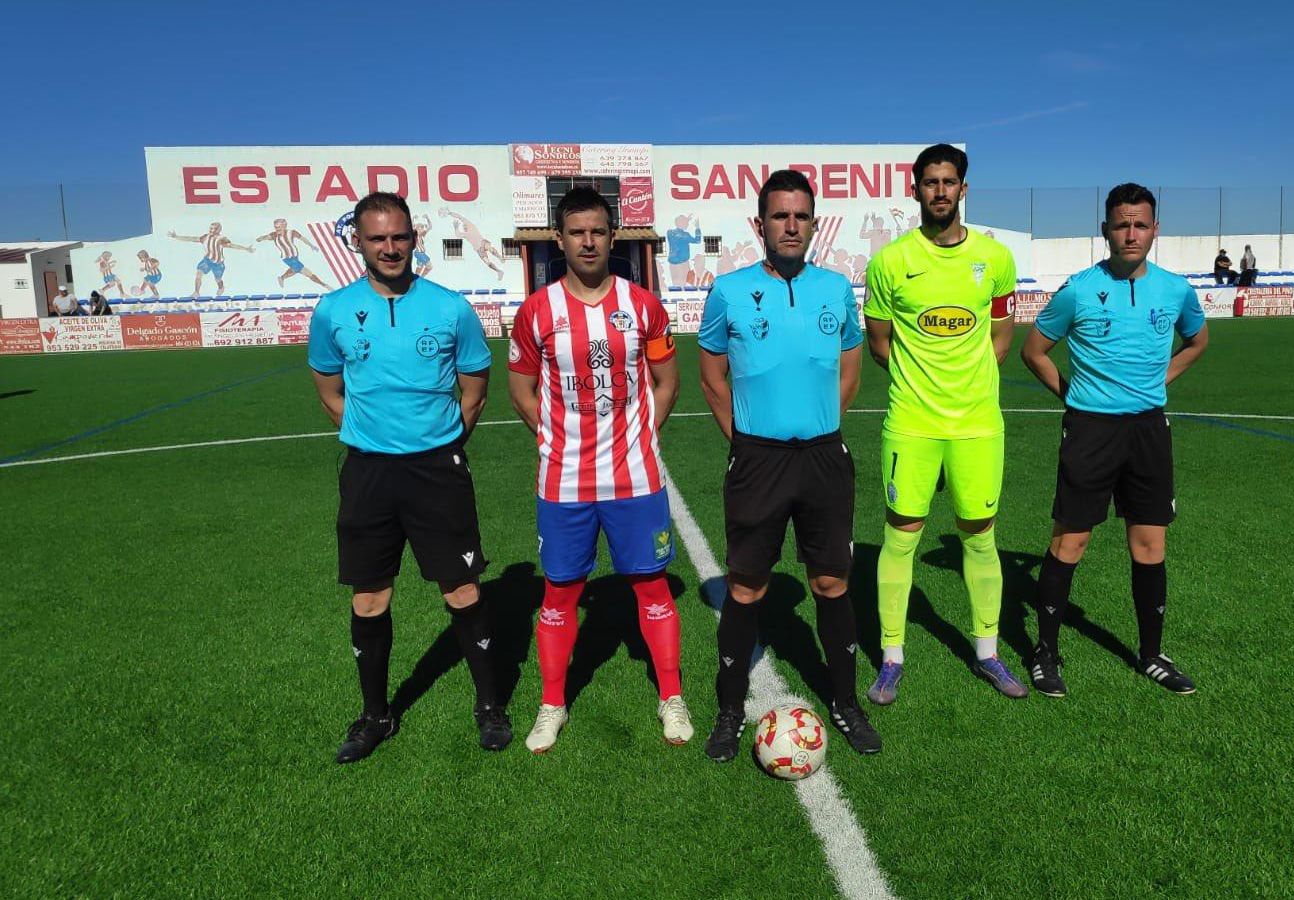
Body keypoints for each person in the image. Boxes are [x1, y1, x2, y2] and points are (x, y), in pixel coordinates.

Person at [307, 191, 508, 763]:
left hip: (436, 470)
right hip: (368, 473)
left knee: (462, 590)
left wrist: (438, 443)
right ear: (358, 242)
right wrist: (374, 437)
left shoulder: (450, 308)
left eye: (399, 237)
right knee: (370, 598)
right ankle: (376, 716)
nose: (390, 248)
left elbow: (475, 391)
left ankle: (489, 706)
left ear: (414, 239)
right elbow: (329, 391)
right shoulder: (333, 310)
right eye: (377, 238)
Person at [696, 170, 882, 762]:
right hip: (758, 460)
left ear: (813, 223)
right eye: (780, 216)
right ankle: (730, 710)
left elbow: (850, 367)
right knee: (746, 587)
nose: (791, 226)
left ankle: (845, 702)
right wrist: (746, 443)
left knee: (831, 583)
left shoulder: (835, 289)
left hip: (824, 458)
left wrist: (822, 424)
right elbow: (712, 375)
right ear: (761, 224)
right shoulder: (729, 290)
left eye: (801, 216)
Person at [507, 187, 687, 753]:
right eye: (577, 232)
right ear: (559, 240)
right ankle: (552, 704)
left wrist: (641, 435)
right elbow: (521, 390)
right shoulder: (537, 311)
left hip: (635, 477)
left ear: (613, 237)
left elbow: (666, 383)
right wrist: (553, 438)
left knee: (652, 586)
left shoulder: (644, 306)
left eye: (598, 231)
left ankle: (671, 696)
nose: (588, 242)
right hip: (563, 481)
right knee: (560, 593)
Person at [1020, 183, 1209, 698]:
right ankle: (1045, 653)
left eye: (1140, 224)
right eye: (1122, 224)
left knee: (1149, 544)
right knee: (1070, 541)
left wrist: (1159, 382)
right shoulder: (1079, 290)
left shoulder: (1175, 290)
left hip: (1148, 430)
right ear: (1105, 229)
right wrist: (1072, 397)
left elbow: (1197, 341)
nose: (1131, 234)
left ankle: (1152, 655)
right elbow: (1034, 351)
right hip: (1091, 430)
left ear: (1155, 230)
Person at [862, 143, 1026, 705]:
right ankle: (891, 657)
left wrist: (967, 386)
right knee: (900, 536)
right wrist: (924, 386)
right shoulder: (889, 262)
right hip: (911, 424)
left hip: (977, 425)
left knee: (980, 537)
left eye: (948, 181)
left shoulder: (995, 259)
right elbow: (879, 344)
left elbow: (1001, 336)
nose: (939, 191)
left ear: (963, 189)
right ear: (916, 190)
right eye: (929, 182)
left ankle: (988, 652)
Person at [169, 222, 254, 298]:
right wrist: (176, 236)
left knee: (218, 279)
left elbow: (232, 246)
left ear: (219, 230)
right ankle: (196, 292)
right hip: (207, 261)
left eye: (215, 229)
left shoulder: (222, 239)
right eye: (211, 228)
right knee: (199, 274)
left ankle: (221, 287)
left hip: (218, 263)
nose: (212, 230)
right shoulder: (205, 237)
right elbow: (192, 239)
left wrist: (246, 248)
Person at [257, 219, 333, 290]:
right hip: (287, 258)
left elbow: (303, 239)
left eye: (279, 227)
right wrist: (260, 238)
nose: (277, 229)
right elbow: (265, 237)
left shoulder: (291, 232)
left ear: (284, 226)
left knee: (298, 270)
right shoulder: (274, 235)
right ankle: (325, 285)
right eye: (276, 227)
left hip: (295, 257)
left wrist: (311, 246)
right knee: (307, 273)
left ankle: (282, 278)